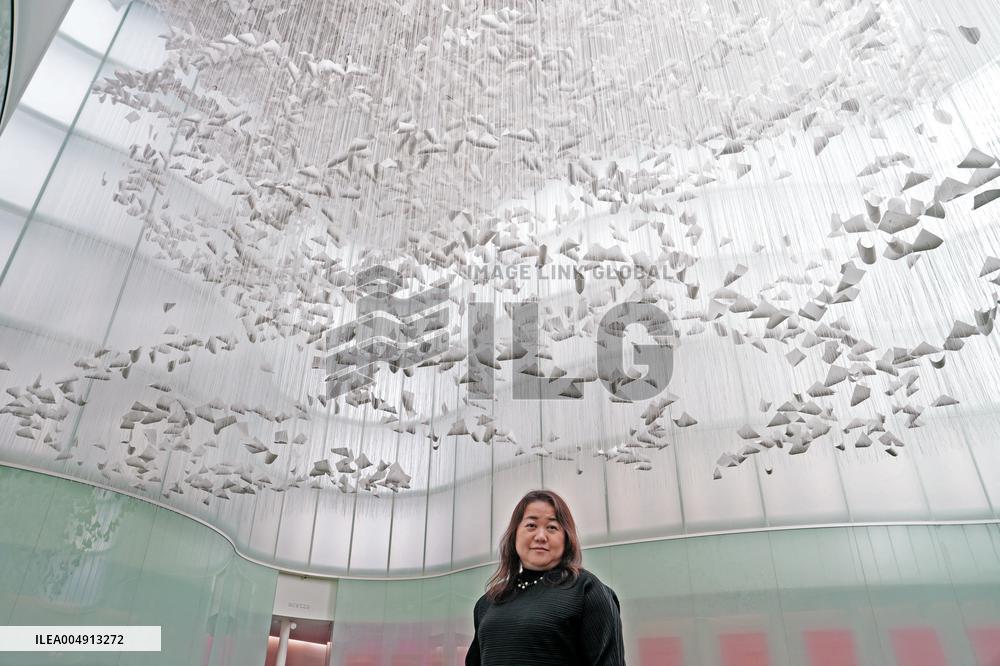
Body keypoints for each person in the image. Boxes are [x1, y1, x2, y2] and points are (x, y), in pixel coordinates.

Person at [465, 489, 626, 665]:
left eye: (552, 527)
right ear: (515, 534)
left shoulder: (587, 590)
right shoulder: (488, 602)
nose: (541, 537)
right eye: (531, 525)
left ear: (566, 537)